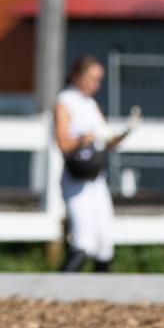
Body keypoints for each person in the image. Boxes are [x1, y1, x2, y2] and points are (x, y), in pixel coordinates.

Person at [55, 55, 136, 272]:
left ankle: (99, 300)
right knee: (84, 241)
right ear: (77, 76)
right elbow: (63, 142)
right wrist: (85, 137)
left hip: (97, 179)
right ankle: (55, 292)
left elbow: (107, 140)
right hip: (77, 178)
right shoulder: (65, 101)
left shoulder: (90, 104)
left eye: (98, 79)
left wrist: (125, 131)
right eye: (91, 78)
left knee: (104, 242)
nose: (96, 84)